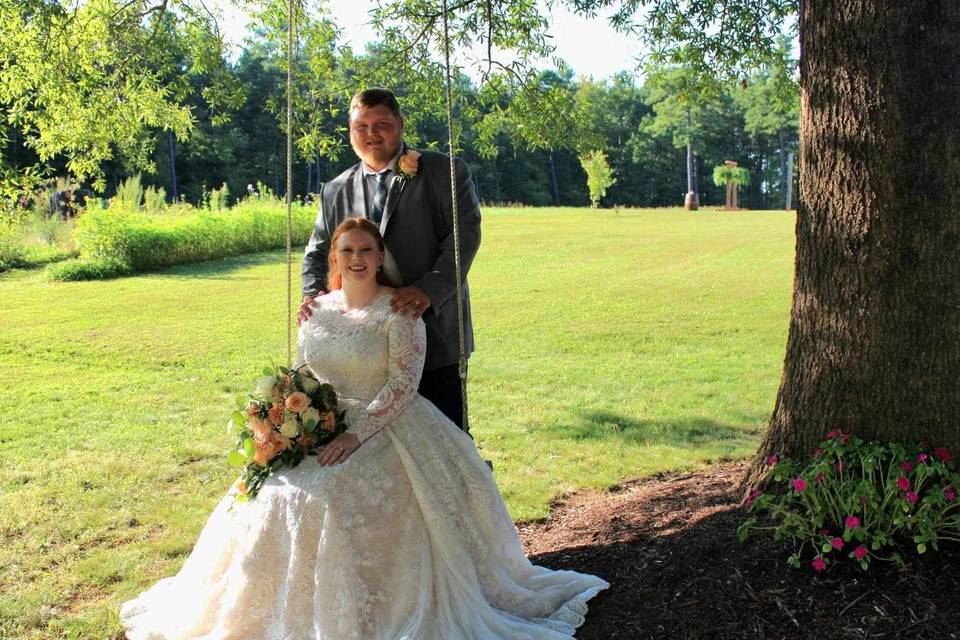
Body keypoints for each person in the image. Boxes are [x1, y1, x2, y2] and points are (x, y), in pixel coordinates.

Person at [120, 218, 607, 639]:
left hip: (389, 423)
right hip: (324, 422)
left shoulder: (399, 310)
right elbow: (302, 376)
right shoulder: (317, 312)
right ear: (334, 257)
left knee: (332, 494)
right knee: (270, 489)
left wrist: (358, 434)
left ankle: (358, 611)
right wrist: (285, 427)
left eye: (366, 250)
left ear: (380, 257)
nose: (357, 258)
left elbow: (403, 384)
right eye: (347, 250)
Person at [299, 87, 480, 431]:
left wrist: (428, 290)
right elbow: (318, 251)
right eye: (361, 126)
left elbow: (464, 235)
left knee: (444, 439)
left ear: (399, 123)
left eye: (381, 123)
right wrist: (312, 297)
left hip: (434, 334)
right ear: (350, 131)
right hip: (361, 349)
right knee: (368, 441)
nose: (371, 134)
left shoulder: (444, 172)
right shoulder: (336, 189)